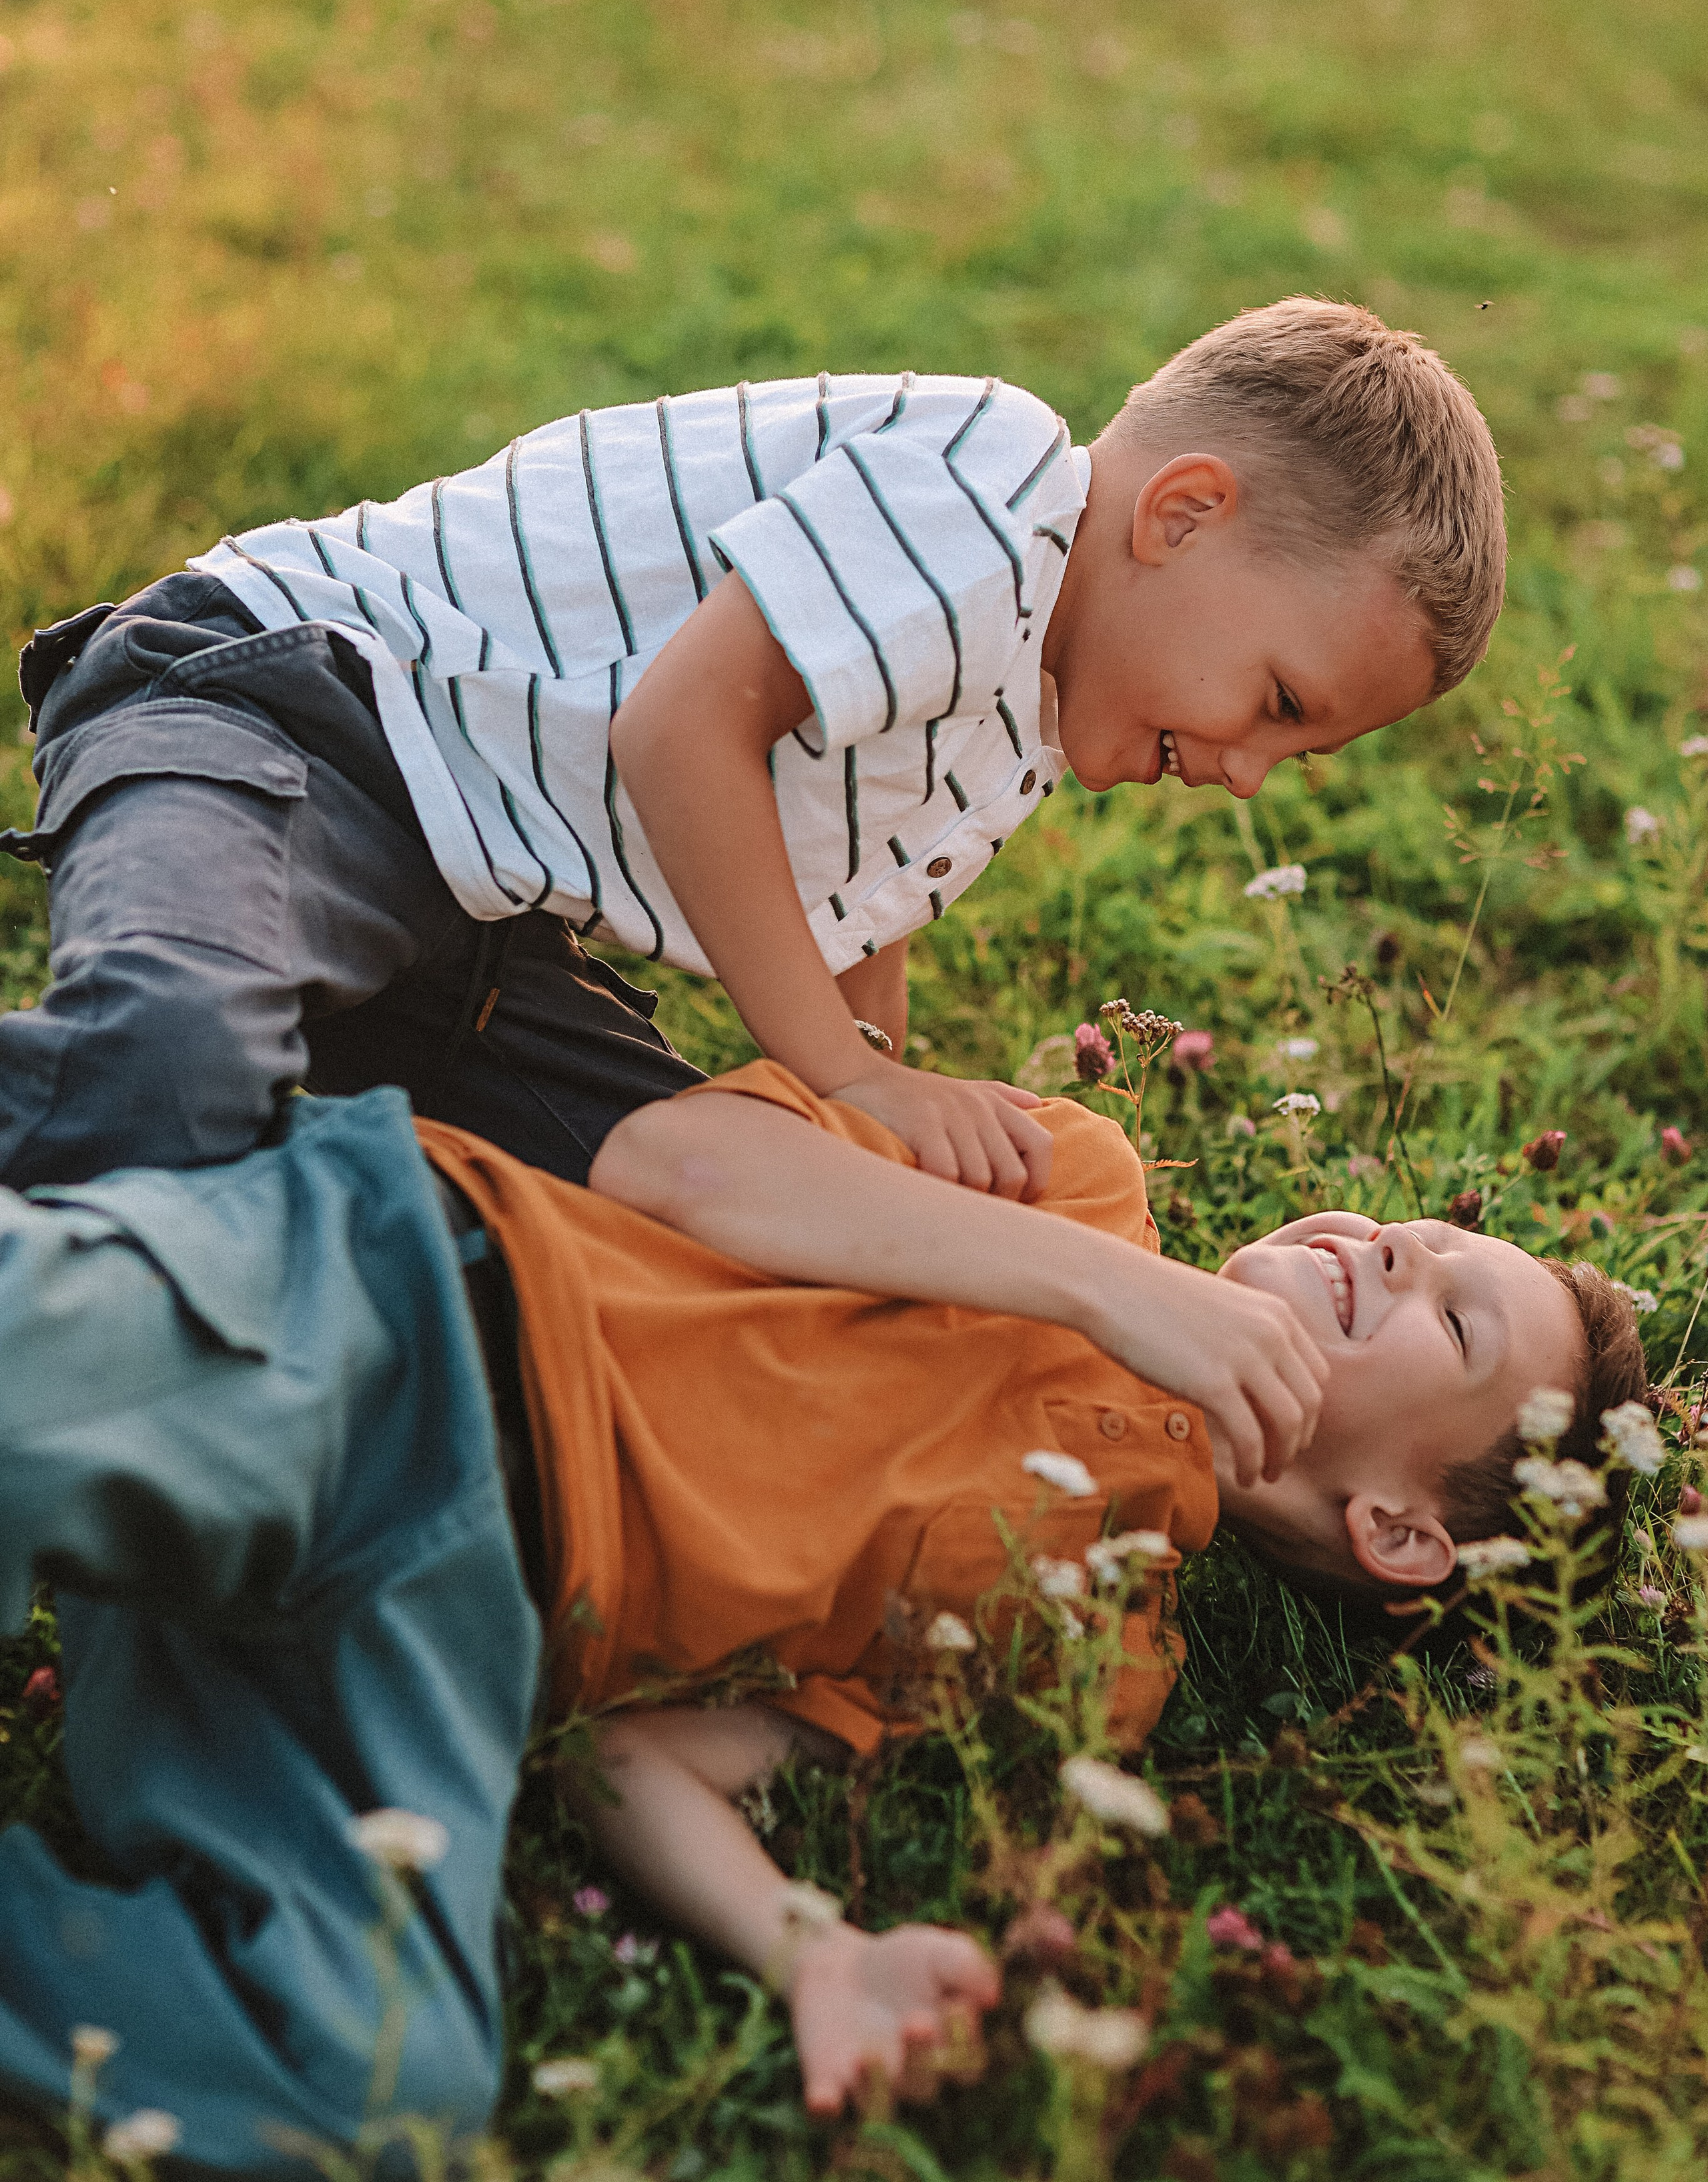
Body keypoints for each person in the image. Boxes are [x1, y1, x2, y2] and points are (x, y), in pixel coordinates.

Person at [0, 1062, 1643, 2166]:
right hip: (417, 1325)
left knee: (371, 2082)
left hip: (432, 1639)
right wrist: (1106, 1285)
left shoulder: (1097, 1656)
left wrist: (817, 1957)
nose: (1390, 1246)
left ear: (1396, 1533)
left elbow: (640, 1755)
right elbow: (673, 1165)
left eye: (1449, 1316)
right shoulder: (1076, 1185)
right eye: (1426, 1234)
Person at [0, 300, 1504, 1201]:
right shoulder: (991, 490)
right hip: (292, 716)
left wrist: (863, 1116)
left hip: (468, 904)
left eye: (1294, 754)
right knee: (171, 1057)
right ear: (1181, 514)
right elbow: (682, 730)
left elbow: (857, 906)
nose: (1244, 772)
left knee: (712, 1197)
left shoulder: (1024, 717)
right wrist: (839, 1076)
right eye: (1280, 704)